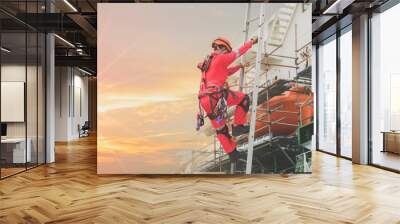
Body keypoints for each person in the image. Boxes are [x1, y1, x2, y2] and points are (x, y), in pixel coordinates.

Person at [197, 37, 258, 162]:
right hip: (216, 96)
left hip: (205, 101)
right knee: (244, 99)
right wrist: (252, 42)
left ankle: (233, 154)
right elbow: (238, 52)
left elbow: (225, 72)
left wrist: (240, 66)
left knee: (221, 129)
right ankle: (238, 126)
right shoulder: (221, 57)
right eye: (226, 51)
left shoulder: (209, 63)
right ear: (222, 48)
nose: (227, 54)